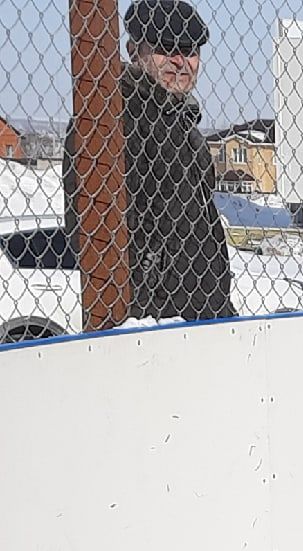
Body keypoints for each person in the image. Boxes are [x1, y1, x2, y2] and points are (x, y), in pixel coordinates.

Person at [63, 0, 234, 321]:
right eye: (167, 48)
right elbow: (90, 232)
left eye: (191, 50)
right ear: (133, 50)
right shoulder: (107, 118)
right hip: (150, 322)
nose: (181, 61)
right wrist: (144, 313)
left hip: (202, 316)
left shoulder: (181, 125)